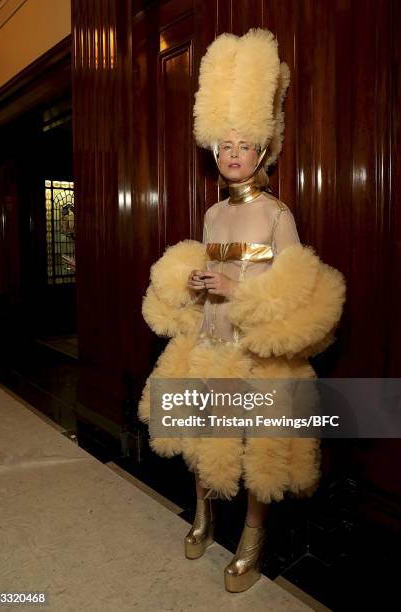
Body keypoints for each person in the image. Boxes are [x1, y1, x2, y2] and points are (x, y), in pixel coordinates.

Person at [138, 28, 346, 593]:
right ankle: (204, 516)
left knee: (257, 453)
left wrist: (239, 288)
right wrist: (200, 283)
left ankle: (252, 540)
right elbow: (208, 274)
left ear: (263, 149)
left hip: (253, 353)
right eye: (223, 146)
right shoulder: (209, 215)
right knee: (206, 437)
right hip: (209, 344)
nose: (232, 156)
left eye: (243, 146)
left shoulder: (278, 215)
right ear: (213, 150)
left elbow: (298, 291)